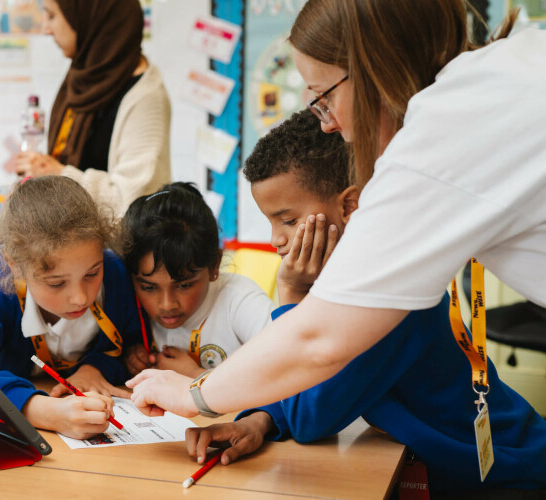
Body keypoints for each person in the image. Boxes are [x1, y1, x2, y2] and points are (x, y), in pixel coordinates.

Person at [128, 1, 545, 413]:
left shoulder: (441, 133)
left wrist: (193, 395)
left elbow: (317, 347)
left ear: (373, 71)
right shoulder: (499, 71)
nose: (327, 123)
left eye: (324, 97)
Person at [184, 110, 546, 496]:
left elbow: (311, 419)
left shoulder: (387, 294)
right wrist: (259, 422)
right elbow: (303, 381)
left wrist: (290, 294)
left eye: (287, 220)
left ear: (350, 205)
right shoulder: (351, 280)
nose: (276, 239)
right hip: (459, 472)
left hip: (512, 477)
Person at [0, 176, 143, 439]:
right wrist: (45, 412)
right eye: (56, 283)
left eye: (91, 274)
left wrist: (95, 369)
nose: (80, 297)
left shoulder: (113, 272)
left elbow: (132, 350)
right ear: (15, 265)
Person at [15, 0, 171, 216]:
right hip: (73, 243)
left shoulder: (145, 96)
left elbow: (134, 204)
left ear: (91, 17)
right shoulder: (85, 77)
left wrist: (59, 175)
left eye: (52, 16)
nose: (46, 29)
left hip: (113, 249)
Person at [122, 183, 274, 378]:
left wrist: (195, 376)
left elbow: (290, 368)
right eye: (149, 288)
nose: (167, 304)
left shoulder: (240, 300)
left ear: (214, 266)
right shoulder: (129, 303)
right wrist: (133, 357)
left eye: (184, 285)